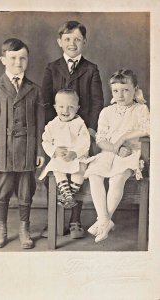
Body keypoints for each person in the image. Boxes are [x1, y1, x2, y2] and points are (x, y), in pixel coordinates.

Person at [41, 20, 104, 238]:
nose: (72, 43)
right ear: (60, 42)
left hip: (81, 132)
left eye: (77, 39)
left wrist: (91, 129)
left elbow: (97, 102)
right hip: (58, 133)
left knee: (78, 172)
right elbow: (46, 101)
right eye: (67, 39)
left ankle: (75, 220)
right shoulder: (52, 68)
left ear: (84, 42)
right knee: (59, 173)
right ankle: (56, 220)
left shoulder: (91, 69)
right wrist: (54, 130)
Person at [0, 38, 44, 249]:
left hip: (27, 149)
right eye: (13, 58)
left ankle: (24, 229)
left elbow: (39, 124)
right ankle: (2, 228)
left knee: (26, 190)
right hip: (2, 150)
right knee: (2, 190)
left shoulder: (34, 90)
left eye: (22, 58)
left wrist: (39, 151)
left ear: (27, 60)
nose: (18, 62)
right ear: (3, 59)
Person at [85, 69, 150, 243]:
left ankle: (102, 222)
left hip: (131, 153)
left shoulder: (141, 109)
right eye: (116, 91)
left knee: (117, 178)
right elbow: (100, 139)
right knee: (94, 174)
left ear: (135, 89)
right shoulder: (107, 112)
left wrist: (122, 138)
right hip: (110, 152)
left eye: (125, 90)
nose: (120, 95)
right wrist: (115, 148)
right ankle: (105, 220)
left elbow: (147, 129)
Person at [39, 89, 90, 237]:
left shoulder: (80, 123)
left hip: (76, 156)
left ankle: (70, 193)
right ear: (55, 107)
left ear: (77, 108)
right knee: (56, 169)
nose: (65, 110)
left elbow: (85, 141)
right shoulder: (52, 125)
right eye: (61, 107)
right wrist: (54, 150)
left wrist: (75, 152)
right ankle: (67, 193)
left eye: (71, 107)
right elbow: (45, 141)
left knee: (80, 170)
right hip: (60, 157)